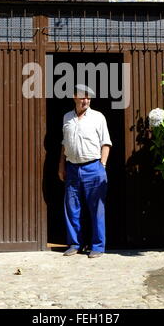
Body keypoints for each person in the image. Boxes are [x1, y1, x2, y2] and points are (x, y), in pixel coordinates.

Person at [58, 84, 112, 258]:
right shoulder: (67, 117)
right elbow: (64, 145)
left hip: (93, 167)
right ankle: (75, 244)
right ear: (74, 97)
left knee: (96, 209)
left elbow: (106, 143)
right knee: (72, 207)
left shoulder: (98, 117)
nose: (86, 100)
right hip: (72, 168)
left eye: (89, 97)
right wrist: (61, 166)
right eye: (82, 97)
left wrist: (102, 165)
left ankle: (97, 246)